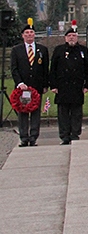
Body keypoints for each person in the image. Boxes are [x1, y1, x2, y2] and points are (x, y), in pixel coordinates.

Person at [49, 23, 88, 145]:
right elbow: (53, 69)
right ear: (65, 38)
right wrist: (53, 85)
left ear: (77, 37)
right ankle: (64, 135)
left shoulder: (83, 51)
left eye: (74, 35)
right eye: (69, 36)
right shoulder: (59, 50)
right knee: (63, 113)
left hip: (77, 86)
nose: (72, 38)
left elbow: (87, 69)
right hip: (62, 87)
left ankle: (75, 134)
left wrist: (87, 85)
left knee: (77, 113)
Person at [11, 18, 49, 147]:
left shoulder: (42, 50)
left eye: (31, 33)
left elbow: (45, 68)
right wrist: (19, 83)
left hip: (37, 86)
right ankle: (24, 137)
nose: (29, 35)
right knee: (23, 111)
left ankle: (33, 136)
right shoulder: (17, 50)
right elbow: (14, 69)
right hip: (23, 87)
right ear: (23, 35)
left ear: (34, 34)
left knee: (35, 112)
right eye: (26, 33)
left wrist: (45, 85)